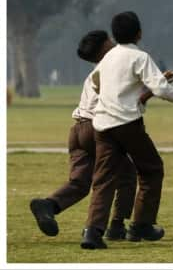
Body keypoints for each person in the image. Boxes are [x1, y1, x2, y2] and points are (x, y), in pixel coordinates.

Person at [81, 11, 173, 250]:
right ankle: (141, 224)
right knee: (151, 170)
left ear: (115, 35)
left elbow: (96, 83)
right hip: (127, 124)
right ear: (139, 33)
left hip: (102, 125)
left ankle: (92, 232)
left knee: (104, 179)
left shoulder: (107, 58)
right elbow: (161, 88)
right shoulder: (139, 57)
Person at [30, 30, 140, 240]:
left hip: (77, 130)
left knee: (80, 183)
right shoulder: (111, 71)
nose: (115, 44)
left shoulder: (93, 73)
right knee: (125, 174)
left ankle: (48, 205)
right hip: (97, 129)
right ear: (104, 48)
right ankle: (116, 226)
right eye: (110, 42)